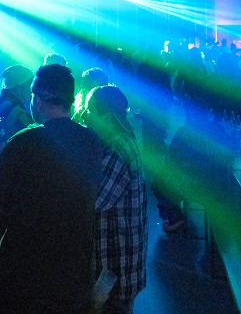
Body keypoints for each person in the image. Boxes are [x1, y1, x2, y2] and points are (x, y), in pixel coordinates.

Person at [0, 64, 102, 314]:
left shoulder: (23, 144)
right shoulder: (92, 142)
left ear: (36, 100)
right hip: (73, 282)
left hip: (24, 283)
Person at [82, 86, 147, 314]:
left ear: (108, 117)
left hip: (114, 267)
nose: (83, 114)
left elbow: (95, 200)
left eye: (90, 110)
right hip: (118, 265)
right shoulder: (118, 142)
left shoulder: (118, 149)